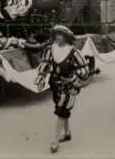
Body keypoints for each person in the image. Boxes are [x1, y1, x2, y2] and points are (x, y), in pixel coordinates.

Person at [34, 25, 89, 153]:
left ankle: (55, 141)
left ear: (67, 37)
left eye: (61, 35)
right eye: (56, 34)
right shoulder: (50, 49)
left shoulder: (74, 52)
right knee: (63, 111)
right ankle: (67, 133)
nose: (58, 37)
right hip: (55, 85)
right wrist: (41, 77)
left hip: (69, 86)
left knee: (60, 111)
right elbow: (45, 64)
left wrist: (74, 77)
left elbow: (84, 70)